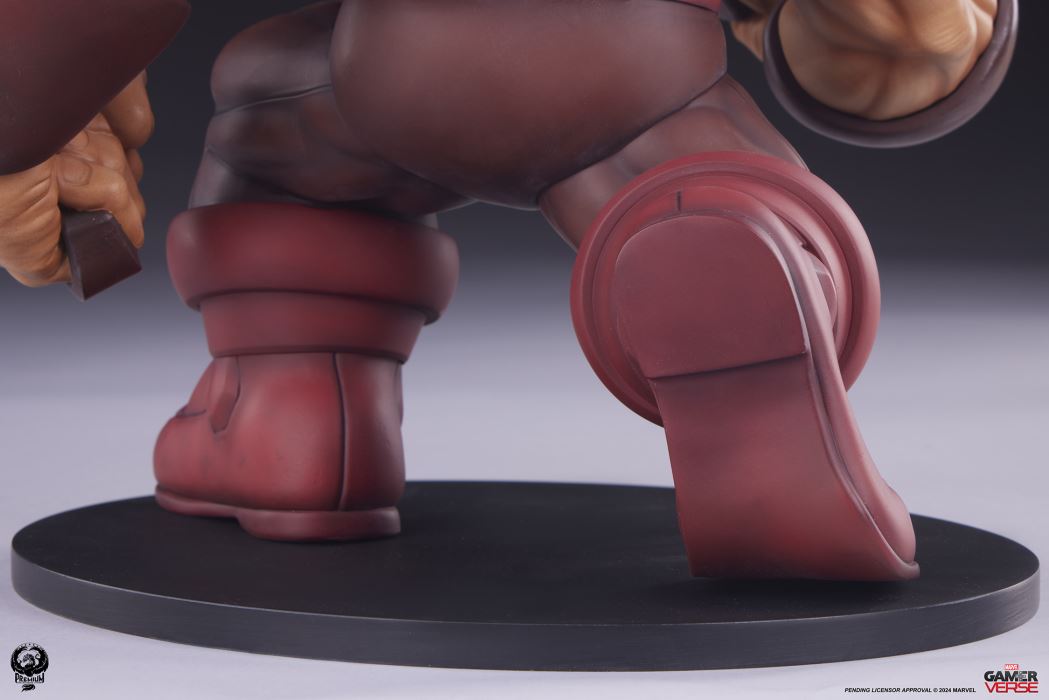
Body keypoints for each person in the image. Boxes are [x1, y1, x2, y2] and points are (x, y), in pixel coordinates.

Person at [0, 0, 1016, 580]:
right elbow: (892, 47)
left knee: (271, 128)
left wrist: (28, 122)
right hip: (611, 53)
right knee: (691, 198)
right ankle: (741, 290)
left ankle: (289, 419)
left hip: (383, 56)